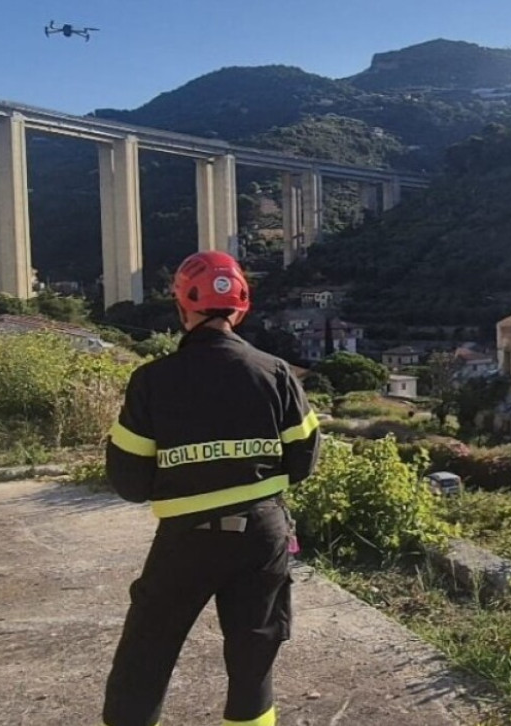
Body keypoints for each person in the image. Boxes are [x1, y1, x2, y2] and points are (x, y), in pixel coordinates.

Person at [99, 250, 322, 726]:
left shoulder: (151, 381)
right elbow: (303, 459)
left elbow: (128, 480)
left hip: (186, 539)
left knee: (145, 656)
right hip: (262, 533)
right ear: (240, 309)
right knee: (252, 661)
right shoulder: (276, 373)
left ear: (183, 307)